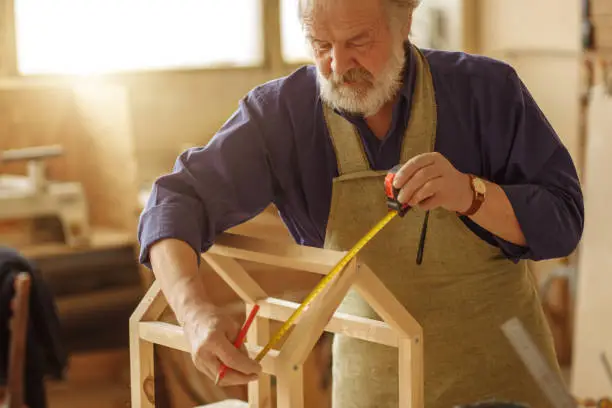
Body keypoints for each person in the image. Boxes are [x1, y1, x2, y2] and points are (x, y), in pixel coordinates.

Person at [137, 0, 584, 406]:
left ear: (405, 19)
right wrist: (194, 316)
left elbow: (563, 220)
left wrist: (471, 194)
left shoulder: (487, 90)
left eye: (358, 42)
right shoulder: (282, 115)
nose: (337, 64)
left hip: (506, 377)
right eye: (320, 44)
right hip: (376, 383)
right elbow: (174, 201)